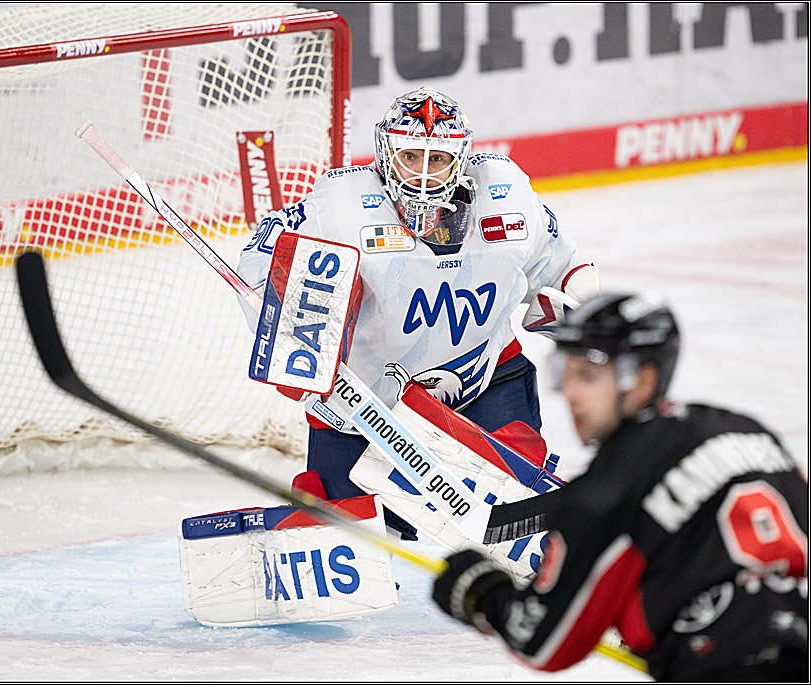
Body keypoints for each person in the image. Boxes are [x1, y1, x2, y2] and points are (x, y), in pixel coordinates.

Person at [237, 86, 599, 539]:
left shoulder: (506, 198)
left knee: (516, 506)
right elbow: (260, 254)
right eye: (411, 157)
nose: (424, 175)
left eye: (438, 160)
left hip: (482, 379)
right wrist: (288, 322)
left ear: (461, 159)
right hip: (364, 403)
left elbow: (561, 262)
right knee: (347, 530)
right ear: (387, 155)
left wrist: (583, 307)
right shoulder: (341, 207)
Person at [431, 291, 809, 681]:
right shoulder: (746, 431)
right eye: (566, 371)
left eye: (589, 376)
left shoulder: (612, 484)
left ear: (644, 380)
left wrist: (482, 593)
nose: (570, 392)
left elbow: (544, 642)